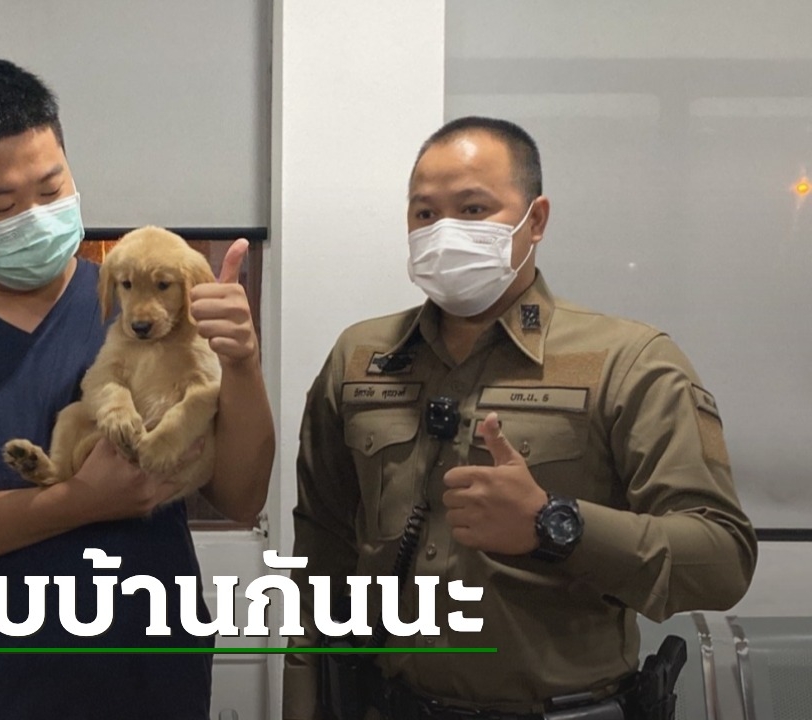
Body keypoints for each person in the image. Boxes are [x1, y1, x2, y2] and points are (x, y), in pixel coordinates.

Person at [0, 57, 275, 720]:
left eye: (51, 188)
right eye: (0, 206)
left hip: (153, 686)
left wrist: (240, 363)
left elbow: (242, 497)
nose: (36, 217)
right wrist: (78, 502)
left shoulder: (145, 310)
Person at [285, 117, 757, 719]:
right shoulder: (360, 358)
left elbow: (722, 558)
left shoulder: (628, 361)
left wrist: (554, 524)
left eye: (473, 209)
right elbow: (319, 556)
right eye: (425, 214)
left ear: (535, 220)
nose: (445, 231)